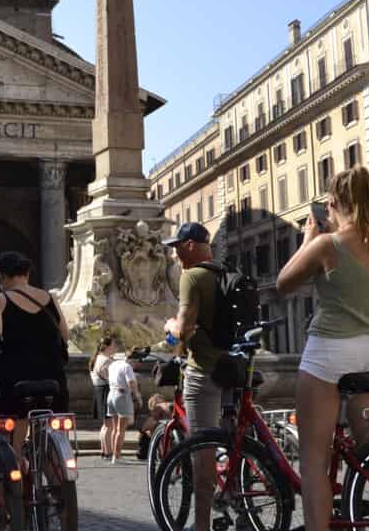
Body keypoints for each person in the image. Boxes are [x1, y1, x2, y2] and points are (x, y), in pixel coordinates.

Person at [276, 167, 369, 531]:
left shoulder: (327, 245)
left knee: (313, 459)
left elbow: (283, 283)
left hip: (330, 352)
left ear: (332, 202)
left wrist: (309, 238)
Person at [164, 221, 225, 531]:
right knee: (235, 443)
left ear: (190, 245)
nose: (174, 255)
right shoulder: (227, 274)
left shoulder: (192, 276)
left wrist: (169, 337)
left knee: (203, 451)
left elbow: (184, 325)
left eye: (176, 247)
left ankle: (202, 525)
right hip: (237, 370)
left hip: (204, 371)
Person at [0, 251, 70, 462]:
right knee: (46, 436)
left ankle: (16, 469)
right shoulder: (50, 298)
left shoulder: (0, 300)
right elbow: (65, 334)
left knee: (13, 437)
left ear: (3, 277)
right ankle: (55, 482)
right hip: (52, 380)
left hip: (15, 381)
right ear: (27, 274)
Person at [104, 350, 141, 464]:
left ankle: (113, 455)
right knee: (121, 430)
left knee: (115, 429)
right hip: (122, 395)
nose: (136, 365)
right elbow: (131, 382)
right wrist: (138, 396)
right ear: (133, 360)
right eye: (137, 362)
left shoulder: (114, 364)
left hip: (111, 394)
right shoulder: (127, 367)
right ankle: (117, 456)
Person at [88, 335, 116, 459]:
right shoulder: (105, 360)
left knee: (105, 425)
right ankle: (108, 452)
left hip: (99, 391)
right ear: (107, 347)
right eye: (113, 345)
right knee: (109, 425)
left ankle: (104, 451)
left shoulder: (97, 358)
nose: (115, 348)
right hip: (105, 392)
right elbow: (109, 378)